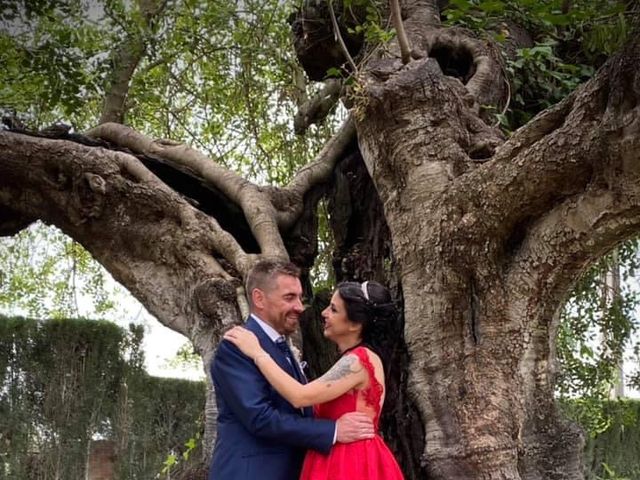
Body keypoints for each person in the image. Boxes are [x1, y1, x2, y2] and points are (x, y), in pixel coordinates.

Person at [209, 260, 375, 480]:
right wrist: (333, 431)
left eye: (299, 297)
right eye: (289, 297)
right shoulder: (236, 347)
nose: (299, 306)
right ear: (259, 299)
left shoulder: (281, 345)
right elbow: (260, 418)